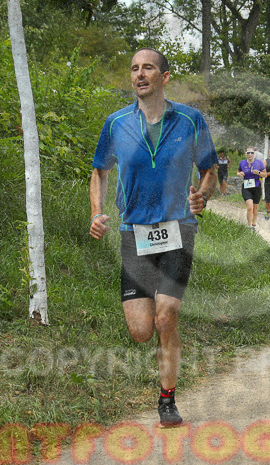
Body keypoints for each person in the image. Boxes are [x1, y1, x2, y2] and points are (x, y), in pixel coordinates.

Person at [89, 48, 217, 427]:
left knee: (167, 316)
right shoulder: (115, 124)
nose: (139, 74)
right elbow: (98, 172)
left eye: (147, 68)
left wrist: (203, 195)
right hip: (134, 234)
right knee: (142, 331)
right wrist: (96, 213)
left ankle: (167, 400)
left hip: (178, 229)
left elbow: (210, 170)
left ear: (164, 77)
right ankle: (162, 344)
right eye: (134, 68)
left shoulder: (191, 121)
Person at [238, 146, 265, 231]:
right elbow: (238, 171)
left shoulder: (259, 163)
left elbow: (265, 174)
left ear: (254, 154)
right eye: (248, 153)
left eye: (251, 153)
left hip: (256, 186)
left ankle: (254, 224)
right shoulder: (242, 163)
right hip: (246, 186)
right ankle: (249, 227)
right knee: (250, 207)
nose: (250, 154)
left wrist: (259, 172)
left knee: (255, 208)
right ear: (246, 154)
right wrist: (239, 174)